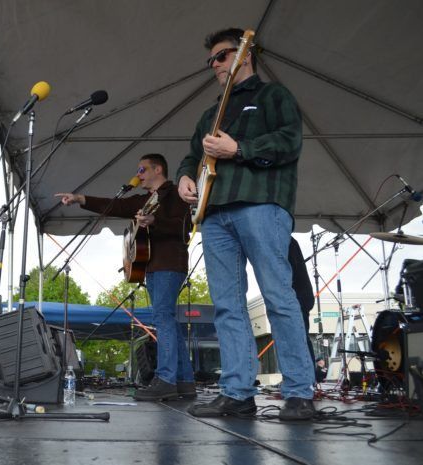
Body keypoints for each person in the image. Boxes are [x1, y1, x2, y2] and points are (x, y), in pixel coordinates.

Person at [176, 27, 316, 420]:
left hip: (261, 206)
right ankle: (237, 392)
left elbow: (290, 142)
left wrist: (240, 148)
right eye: (211, 61)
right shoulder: (210, 113)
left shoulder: (274, 95)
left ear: (245, 54)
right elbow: (191, 156)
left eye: (221, 56)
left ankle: (299, 391)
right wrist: (185, 178)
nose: (215, 65)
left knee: (278, 297)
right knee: (226, 306)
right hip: (214, 214)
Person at [56, 153, 195, 401]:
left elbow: (184, 228)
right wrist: (80, 198)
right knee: (168, 322)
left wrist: (155, 221)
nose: (138, 174)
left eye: (142, 170)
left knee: (163, 319)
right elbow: (115, 205)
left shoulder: (175, 194)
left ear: (158, 169)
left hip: (169, 264)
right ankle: (184, 382)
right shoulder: (145, 199)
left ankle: (165, 380)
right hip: (153, 267)